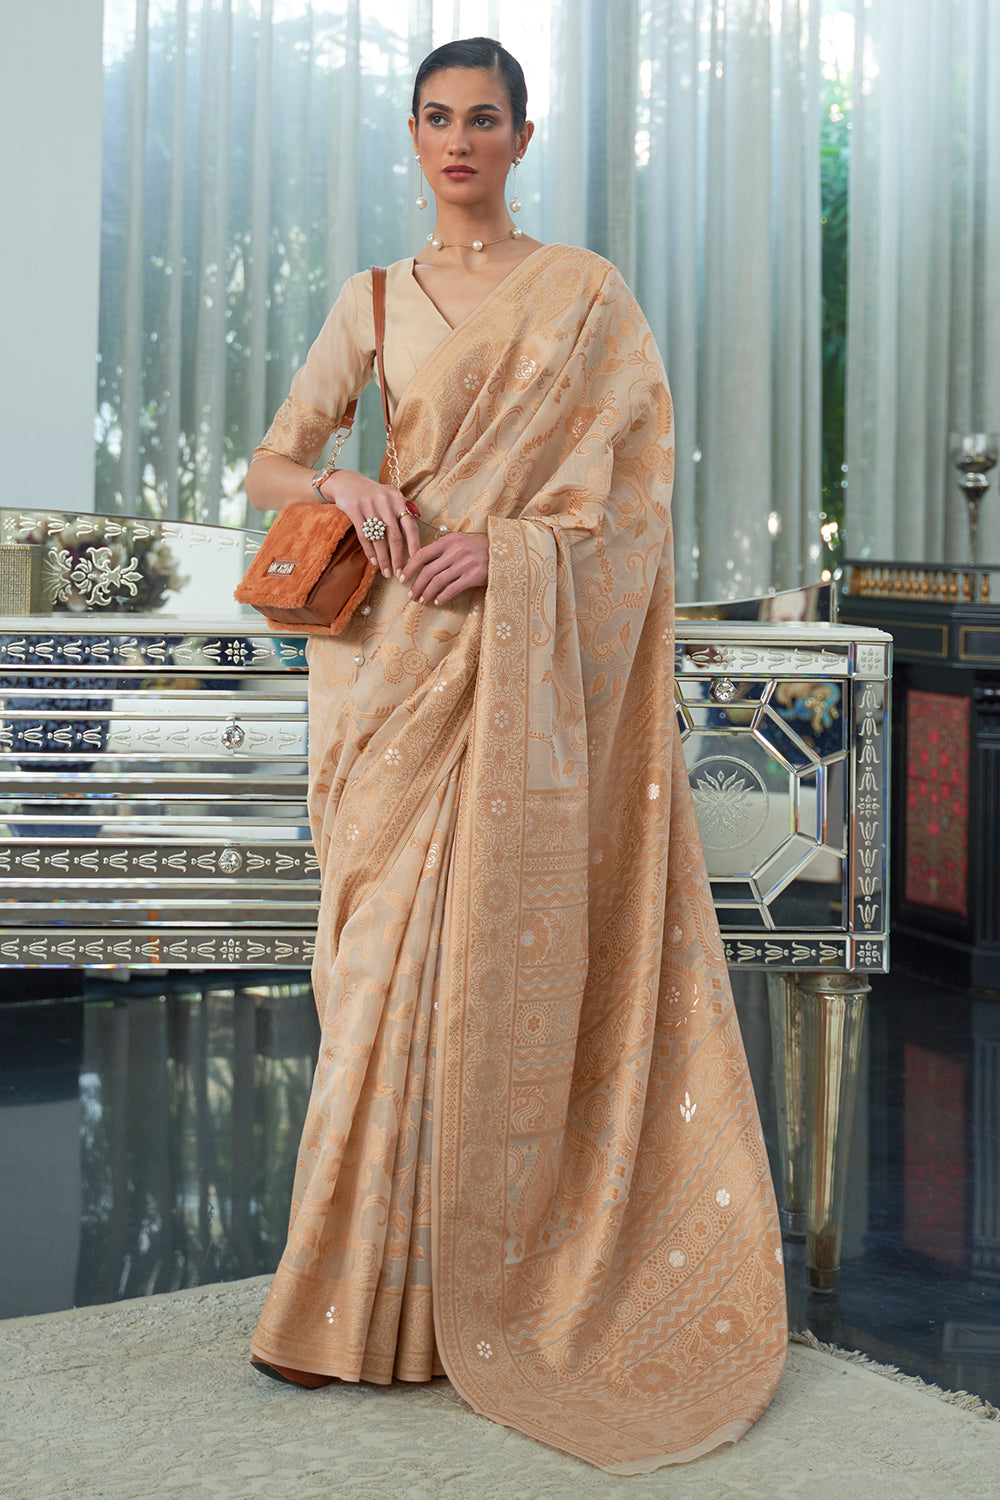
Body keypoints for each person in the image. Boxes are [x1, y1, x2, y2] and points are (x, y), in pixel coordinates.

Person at [245, 36, 787, 1475]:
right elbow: (271, 461)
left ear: (522, 138)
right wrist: (343, 475)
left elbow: (633, 507)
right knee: (374, 979)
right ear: (413, 134)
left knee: (474, 967)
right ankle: (349, 1297)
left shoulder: (585, 296)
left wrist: (514, 552)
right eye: (437, 118)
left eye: (484, 119)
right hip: (385, 673)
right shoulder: (373, 298)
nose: (459, 141)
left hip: (507, 657)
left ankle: (425, 1302)